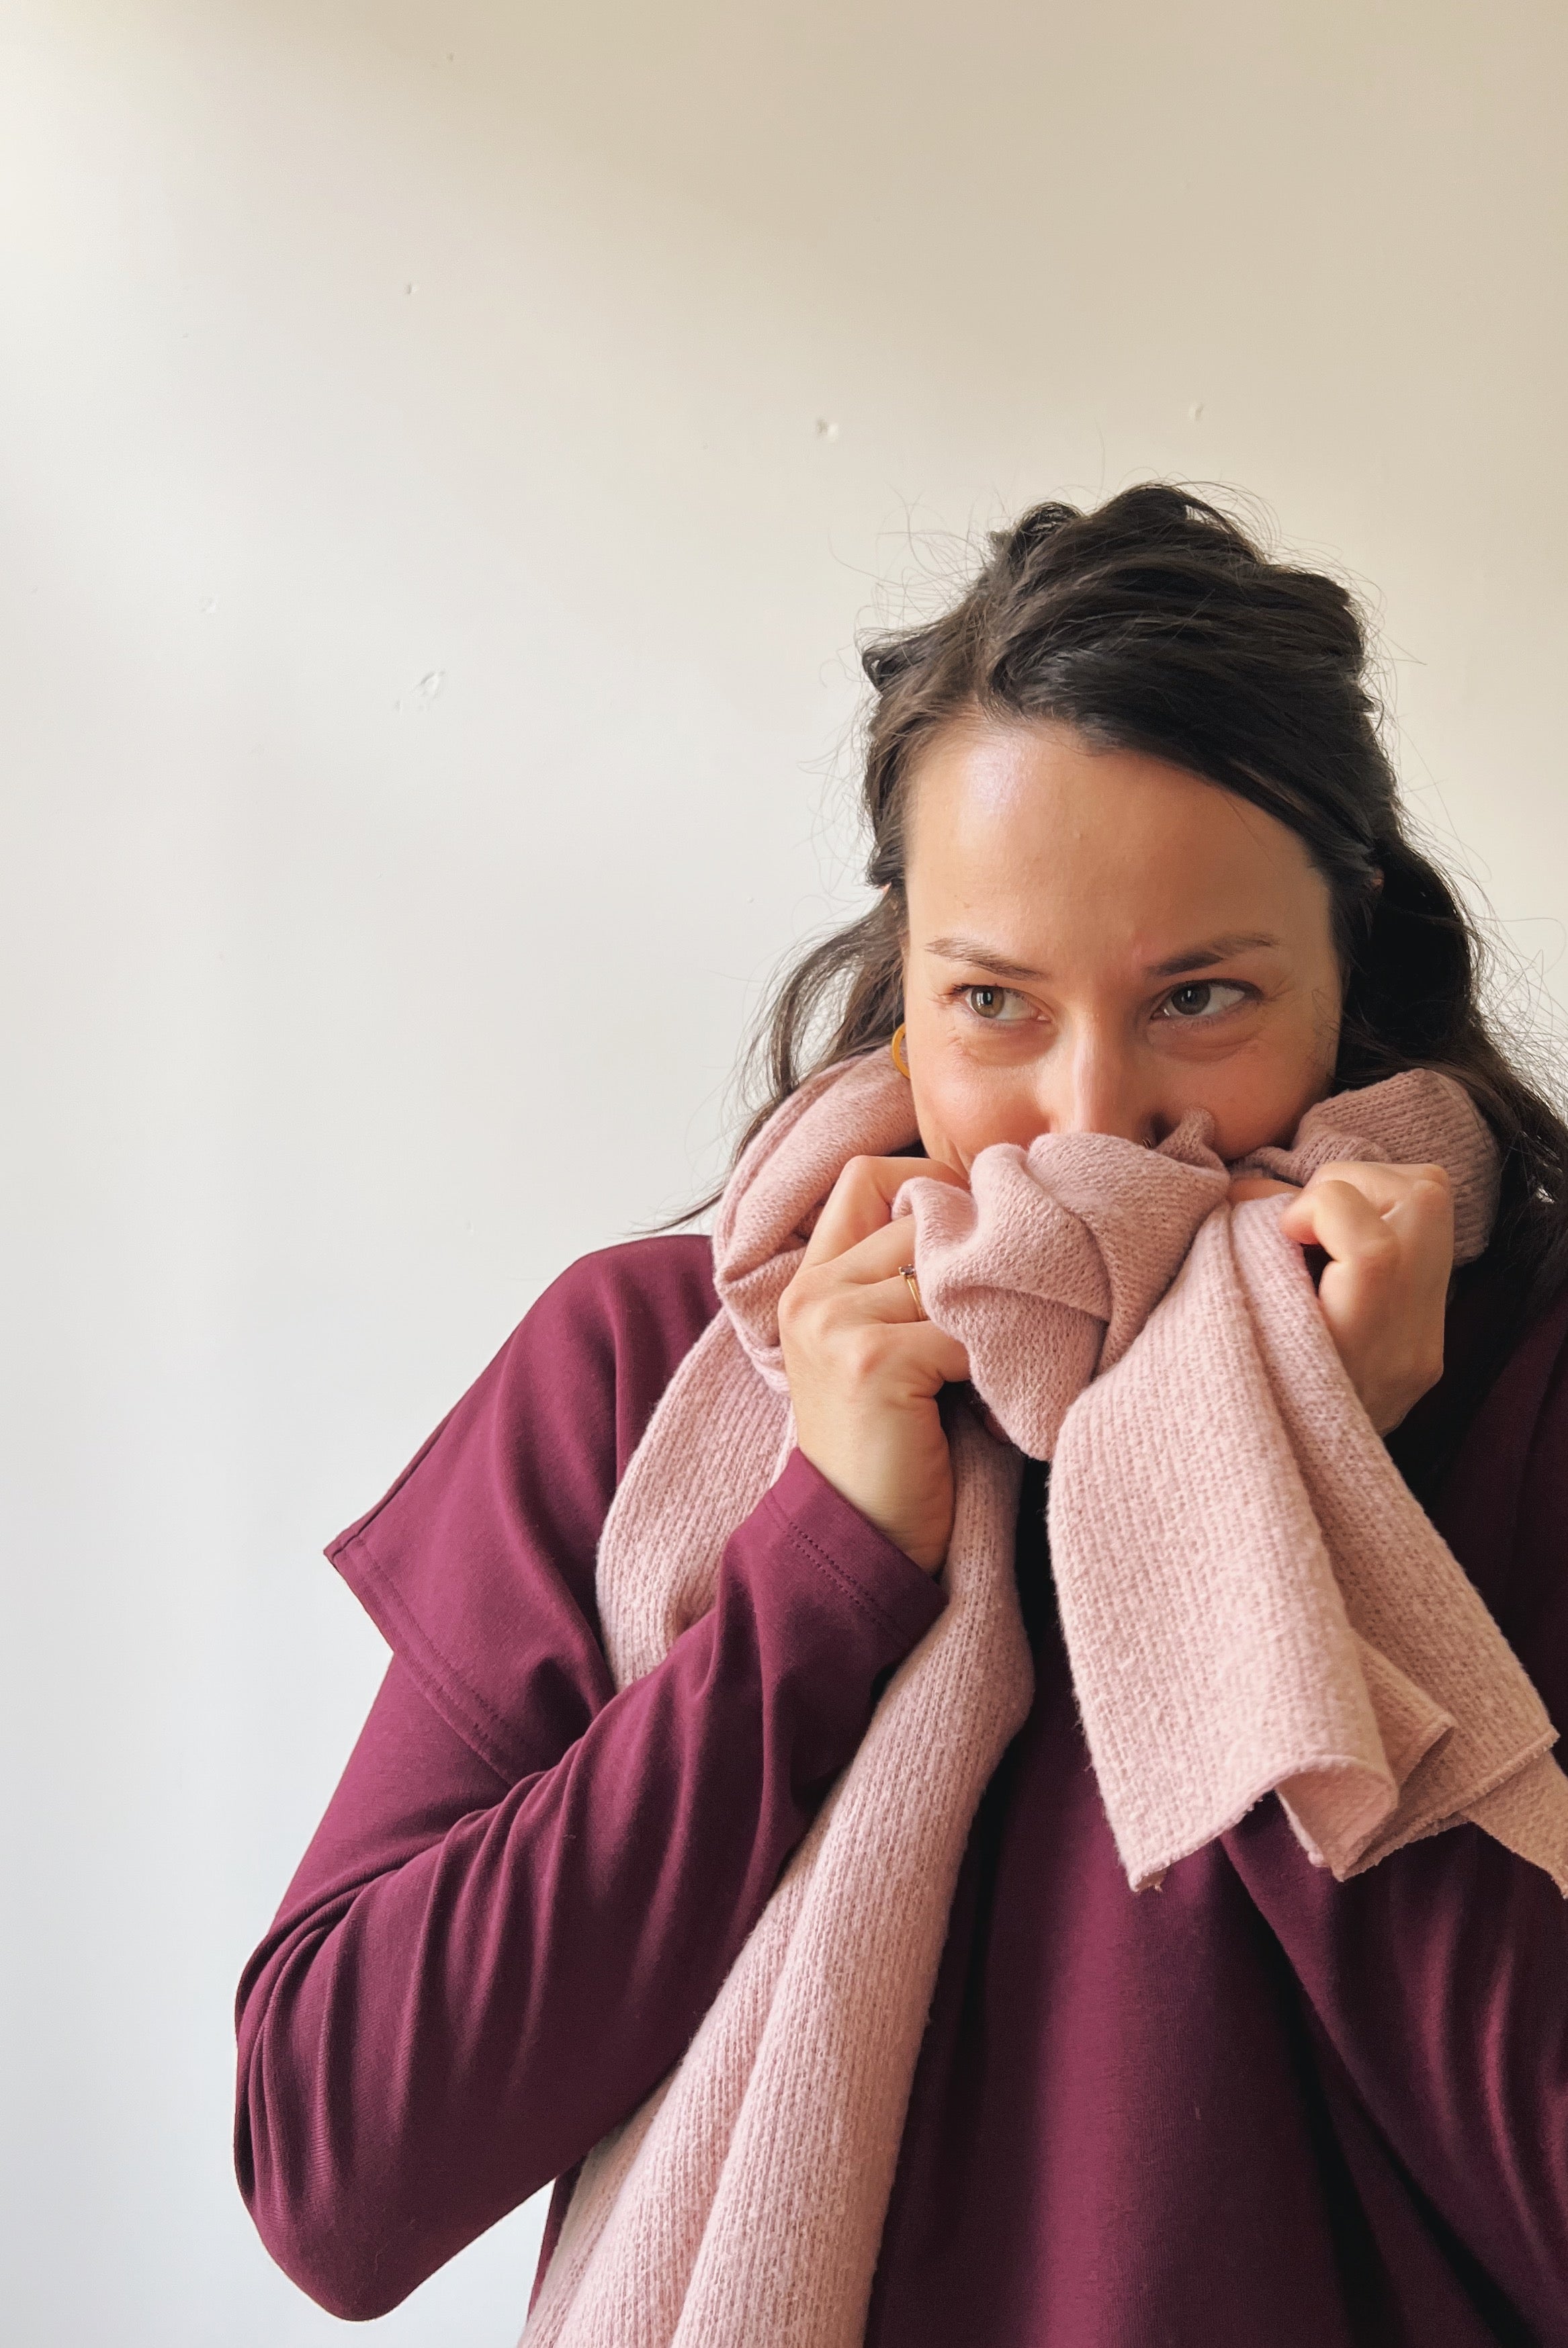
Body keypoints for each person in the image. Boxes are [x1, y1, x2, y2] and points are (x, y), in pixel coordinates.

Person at [234, 487, 1568, 2346]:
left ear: (1356, 962)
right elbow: (338, 2168)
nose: (1092, 1119)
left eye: (1202, 996)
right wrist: (814, 1583)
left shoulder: (1518, 1376)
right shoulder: (654, 1367)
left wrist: (1298, 1507)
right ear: (907, 980)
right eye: (997, 1002)